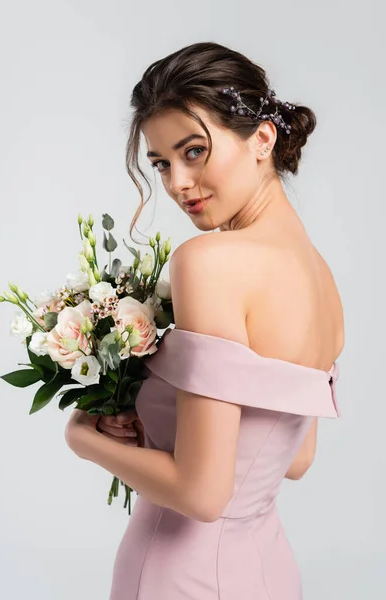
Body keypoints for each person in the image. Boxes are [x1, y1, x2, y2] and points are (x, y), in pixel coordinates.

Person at [65, 41, 345, 599]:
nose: (177, 184)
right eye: (162, 163)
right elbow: (296, 459)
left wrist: (82, 438)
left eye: (194, 152)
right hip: (266, 569)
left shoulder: (208, 263)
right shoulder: (321, 276)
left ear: (262, 139)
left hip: (180, 574)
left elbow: (202, 496)